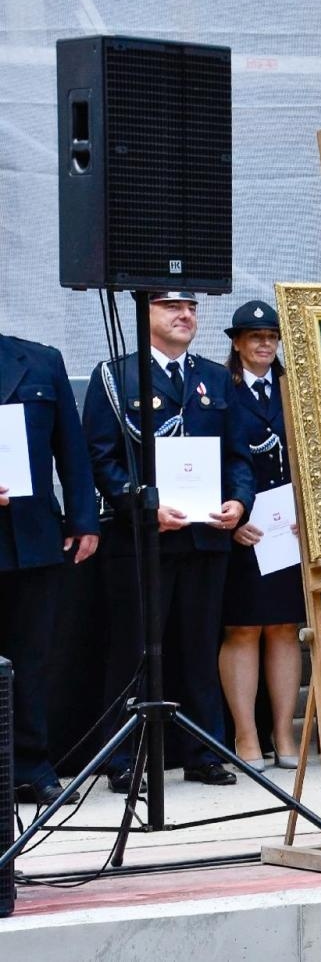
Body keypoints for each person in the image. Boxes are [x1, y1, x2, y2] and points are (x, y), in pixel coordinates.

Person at [82, 291, 253, 791]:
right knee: (136, 647)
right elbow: (102, 457)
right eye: (170, 307)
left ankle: (203, 752)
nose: (185, 316)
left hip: (204, 537)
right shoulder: (116, 375)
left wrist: (240, 503)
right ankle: (124, 758)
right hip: (144, 538)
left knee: (199, 647)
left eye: (192, 308)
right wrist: (143, 506)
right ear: (145, 315)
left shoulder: (215, 378)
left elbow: (238, 455)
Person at [0, 330, 99, 805]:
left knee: (32, 659)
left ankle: (30, 765)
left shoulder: (40, 360)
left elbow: (71, 449)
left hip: (32, 538)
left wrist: (84, 519)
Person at [217, 300, 303, 770]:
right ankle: (246, 737)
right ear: (237, 342)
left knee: (286, 627)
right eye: (255, 337)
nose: (265, 344)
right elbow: (213, 453)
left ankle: (283, 733)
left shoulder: (294, 389)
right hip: (244, 529)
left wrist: (310, 516)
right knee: (243, 628)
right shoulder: (221, 388)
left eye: (271, 336)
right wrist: (231, 515)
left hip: (288, 530)